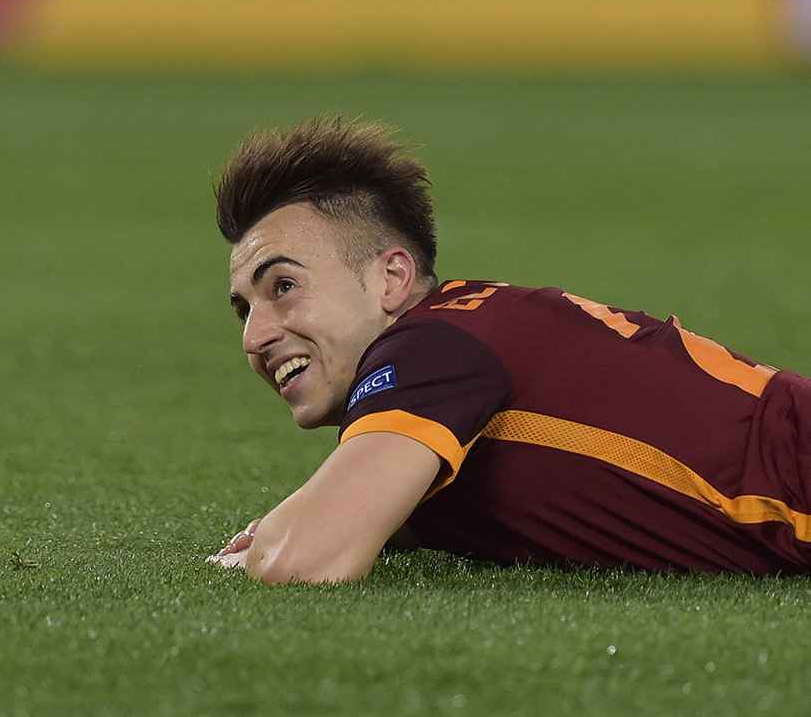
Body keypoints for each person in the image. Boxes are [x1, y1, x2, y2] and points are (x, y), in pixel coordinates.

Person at [205, 116, 811, 583]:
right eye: (244, 309)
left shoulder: (428, 349)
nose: (254, 336)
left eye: (283, 287)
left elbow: (303, 562)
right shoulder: (467, 328)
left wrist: (302, 529)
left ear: (392, 279)